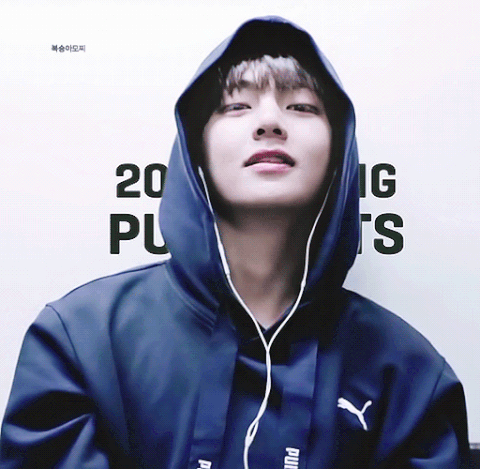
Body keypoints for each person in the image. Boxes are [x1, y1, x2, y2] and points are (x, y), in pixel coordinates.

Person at [0, 16, 470, 469]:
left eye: (301, 106)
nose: (269, 122)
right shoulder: (81, 342)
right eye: (236, 106)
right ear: (196, 149)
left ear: (338, 154)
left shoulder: (409, 375)